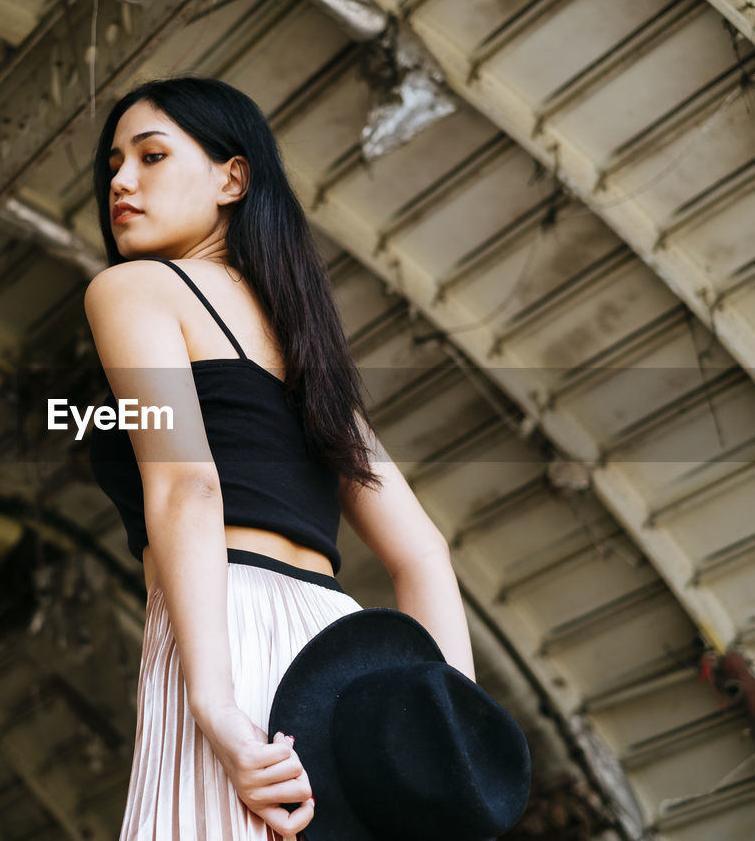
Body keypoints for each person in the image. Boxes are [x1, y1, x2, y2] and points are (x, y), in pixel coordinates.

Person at [85, 76, 475, 841]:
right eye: (112, 167)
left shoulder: (132, 291)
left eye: (151, 155)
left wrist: (216, 705)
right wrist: (452, 740)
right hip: (337, 649)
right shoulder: (305, 347)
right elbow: (423, 551)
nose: (122, 182)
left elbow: (186, 485)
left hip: (220, 626)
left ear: (233, 177)